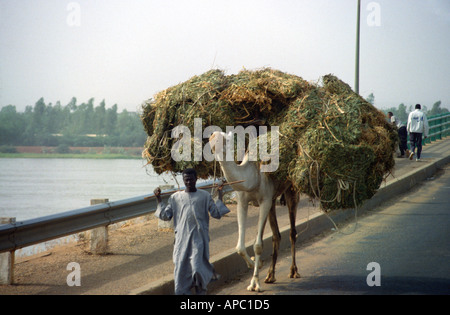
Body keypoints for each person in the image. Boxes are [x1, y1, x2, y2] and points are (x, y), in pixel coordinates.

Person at [154, 168, 230, 295]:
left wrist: (220, 193)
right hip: (181, 243)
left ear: (196, 179)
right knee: (181, 274)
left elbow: (216, 213)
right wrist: (158, 199)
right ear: (183, 180)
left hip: (199, 241)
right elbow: (165, 216)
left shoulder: (205, 196)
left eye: (191, 179)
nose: (189, 182)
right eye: (186, 179)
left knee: (197, 269)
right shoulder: (175, 198)